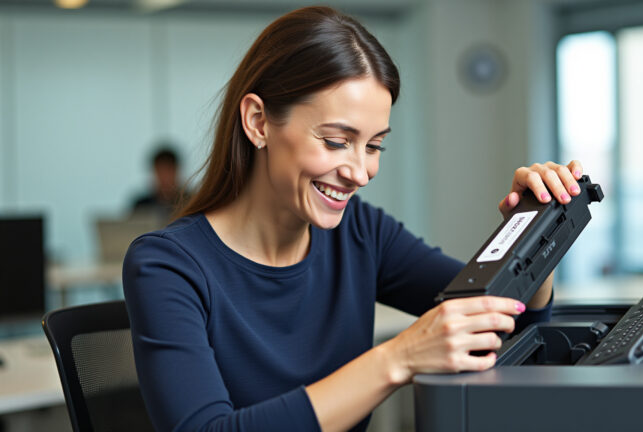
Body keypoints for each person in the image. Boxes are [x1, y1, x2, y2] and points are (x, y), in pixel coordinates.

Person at [122, 6, 584, 432]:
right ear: (259, 122)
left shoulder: (360, 231)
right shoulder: (167, 266)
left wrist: (531, 227)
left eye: (375, 145)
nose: (360, 171)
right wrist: (396, 359)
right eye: (336, 141)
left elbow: (509, 327)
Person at [132, 145, 188, 221]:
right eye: (160, 171)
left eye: (168, 171)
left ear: (176, 171)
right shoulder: (142, 205)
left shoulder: (189, 202)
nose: (164, 177)